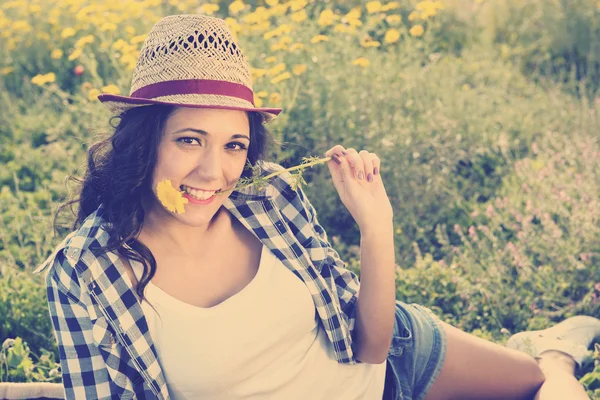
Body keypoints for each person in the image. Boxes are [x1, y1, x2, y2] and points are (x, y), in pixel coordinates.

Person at [34, 14, 600, 400]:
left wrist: (376, 226)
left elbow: (370, 347)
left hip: (390, 367)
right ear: (145, 142)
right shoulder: (87, 270)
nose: (214, 173)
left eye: (234, 145)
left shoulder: (267, 195)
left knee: (542, 385)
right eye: (189, 140)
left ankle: (553, 354)